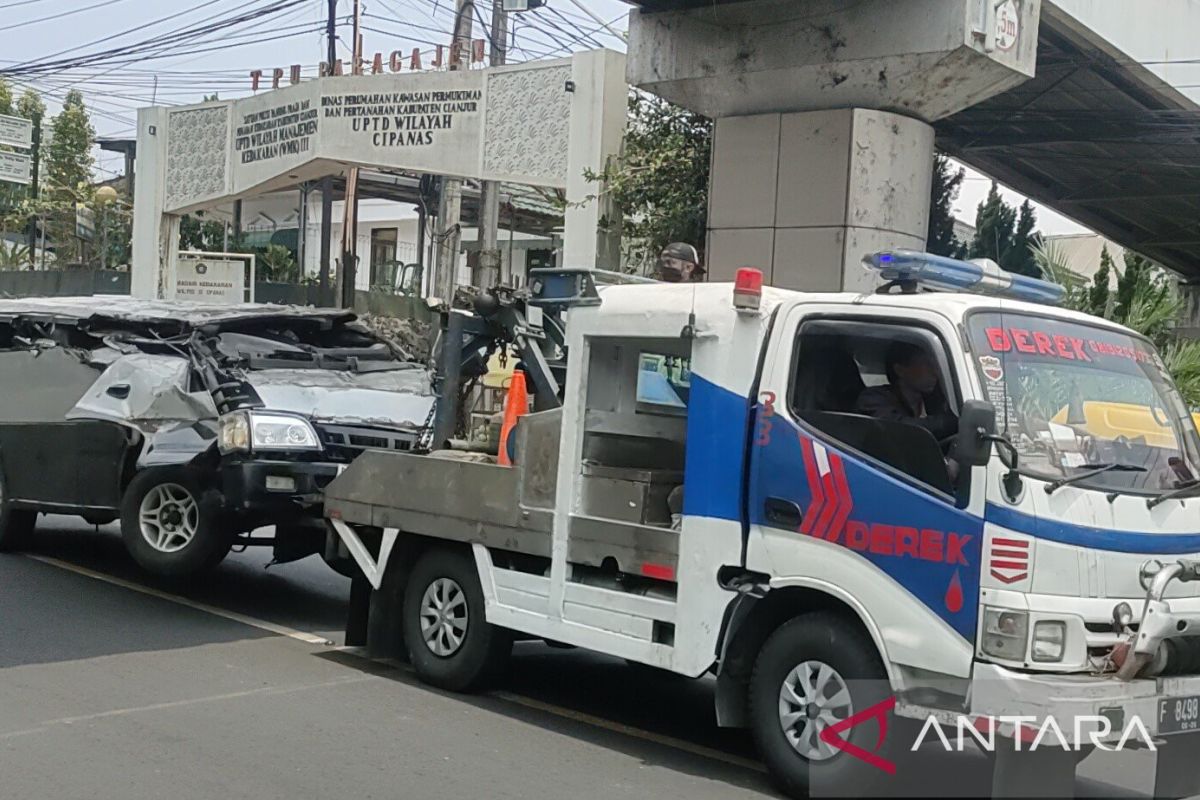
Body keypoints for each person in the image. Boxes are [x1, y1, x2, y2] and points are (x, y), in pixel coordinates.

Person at [856, 341, 960, 482]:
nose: (935, 371)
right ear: (900, 370)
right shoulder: (873, 399)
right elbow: (902, 429)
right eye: (927, 364)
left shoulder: (940, 400)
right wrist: (955, 420)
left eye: (936, 365)